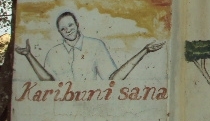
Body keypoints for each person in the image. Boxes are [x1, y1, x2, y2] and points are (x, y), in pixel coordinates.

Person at [15, 11, 164, 81]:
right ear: (59, 32)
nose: (68, 30)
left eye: (70, 25)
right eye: (63, 29)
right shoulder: (53, 53)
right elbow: (48, 83)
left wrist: (144, 51)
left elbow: (113, 79)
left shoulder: (95, 46)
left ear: (77, 24)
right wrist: (28, 55)